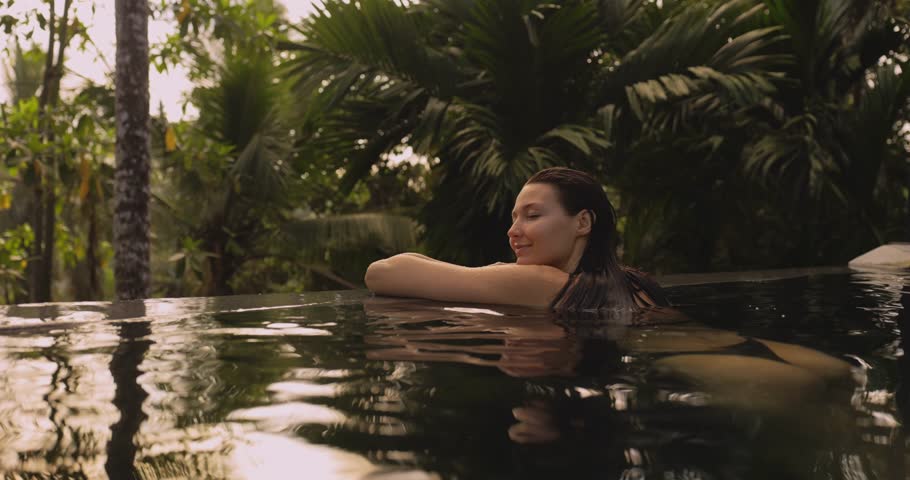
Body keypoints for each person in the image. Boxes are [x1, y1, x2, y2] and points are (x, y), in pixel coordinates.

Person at [364, 167, 668, 312]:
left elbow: (382, 272)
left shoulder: (542, 282)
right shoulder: (632, 282)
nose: (513, 230)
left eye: (532, 216)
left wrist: (495, 273)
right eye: (514, 217)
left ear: (583, 222)